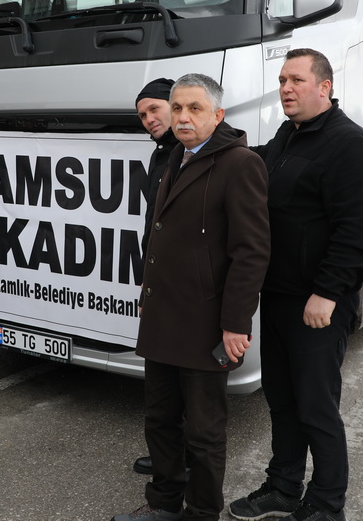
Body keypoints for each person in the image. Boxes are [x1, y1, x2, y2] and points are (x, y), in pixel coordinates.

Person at [230, 49, 363, 521]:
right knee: (283, 403)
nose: (286, 88)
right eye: (281, 80)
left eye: (296, 79)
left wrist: (330, 292)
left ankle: (327, 503)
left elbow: (358, 232)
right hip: (277, 297)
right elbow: (260, 168)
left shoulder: (350, 144)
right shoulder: (287, 136)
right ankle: (283, 487)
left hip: (317, 304)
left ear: (325, 86)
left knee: (317, 409)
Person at [112, 74, 269, 521]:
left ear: (217, 115)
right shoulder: (175, 157)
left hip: (206, 324)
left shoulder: (240, 163)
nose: (183, 117)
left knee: (203, 432)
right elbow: (160, 236)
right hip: (163, 316)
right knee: (160, 420)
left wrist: (236, 323)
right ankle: (164, 503)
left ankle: (201, 513)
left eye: (194, 109)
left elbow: (251, 252)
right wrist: (147, 291)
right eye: (177, 108)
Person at [130, 77, 179, 477]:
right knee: (161, 382)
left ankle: (181, 467)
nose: (148, 119)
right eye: (142, 115)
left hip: (185, 289)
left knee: (182, 384)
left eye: (154, 110)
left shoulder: (190, 153)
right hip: (158, 282)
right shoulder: (160, 155)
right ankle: (168, 458)